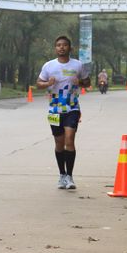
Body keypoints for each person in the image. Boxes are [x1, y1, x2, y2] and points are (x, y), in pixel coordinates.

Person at [37, 36, 91, 190]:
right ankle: (62, 175)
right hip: (55, 109)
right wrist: (47, 83)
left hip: (72, 108)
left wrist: (80, 82)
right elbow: (38, 83)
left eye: (64, 45)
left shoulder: (78, 65)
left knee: (70, 140)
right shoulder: (49, 66)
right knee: (59, 144)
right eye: (58, 45)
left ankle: (70, 176)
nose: (61, 47)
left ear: (70, 48)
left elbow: (87, 82)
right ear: (56, 48)